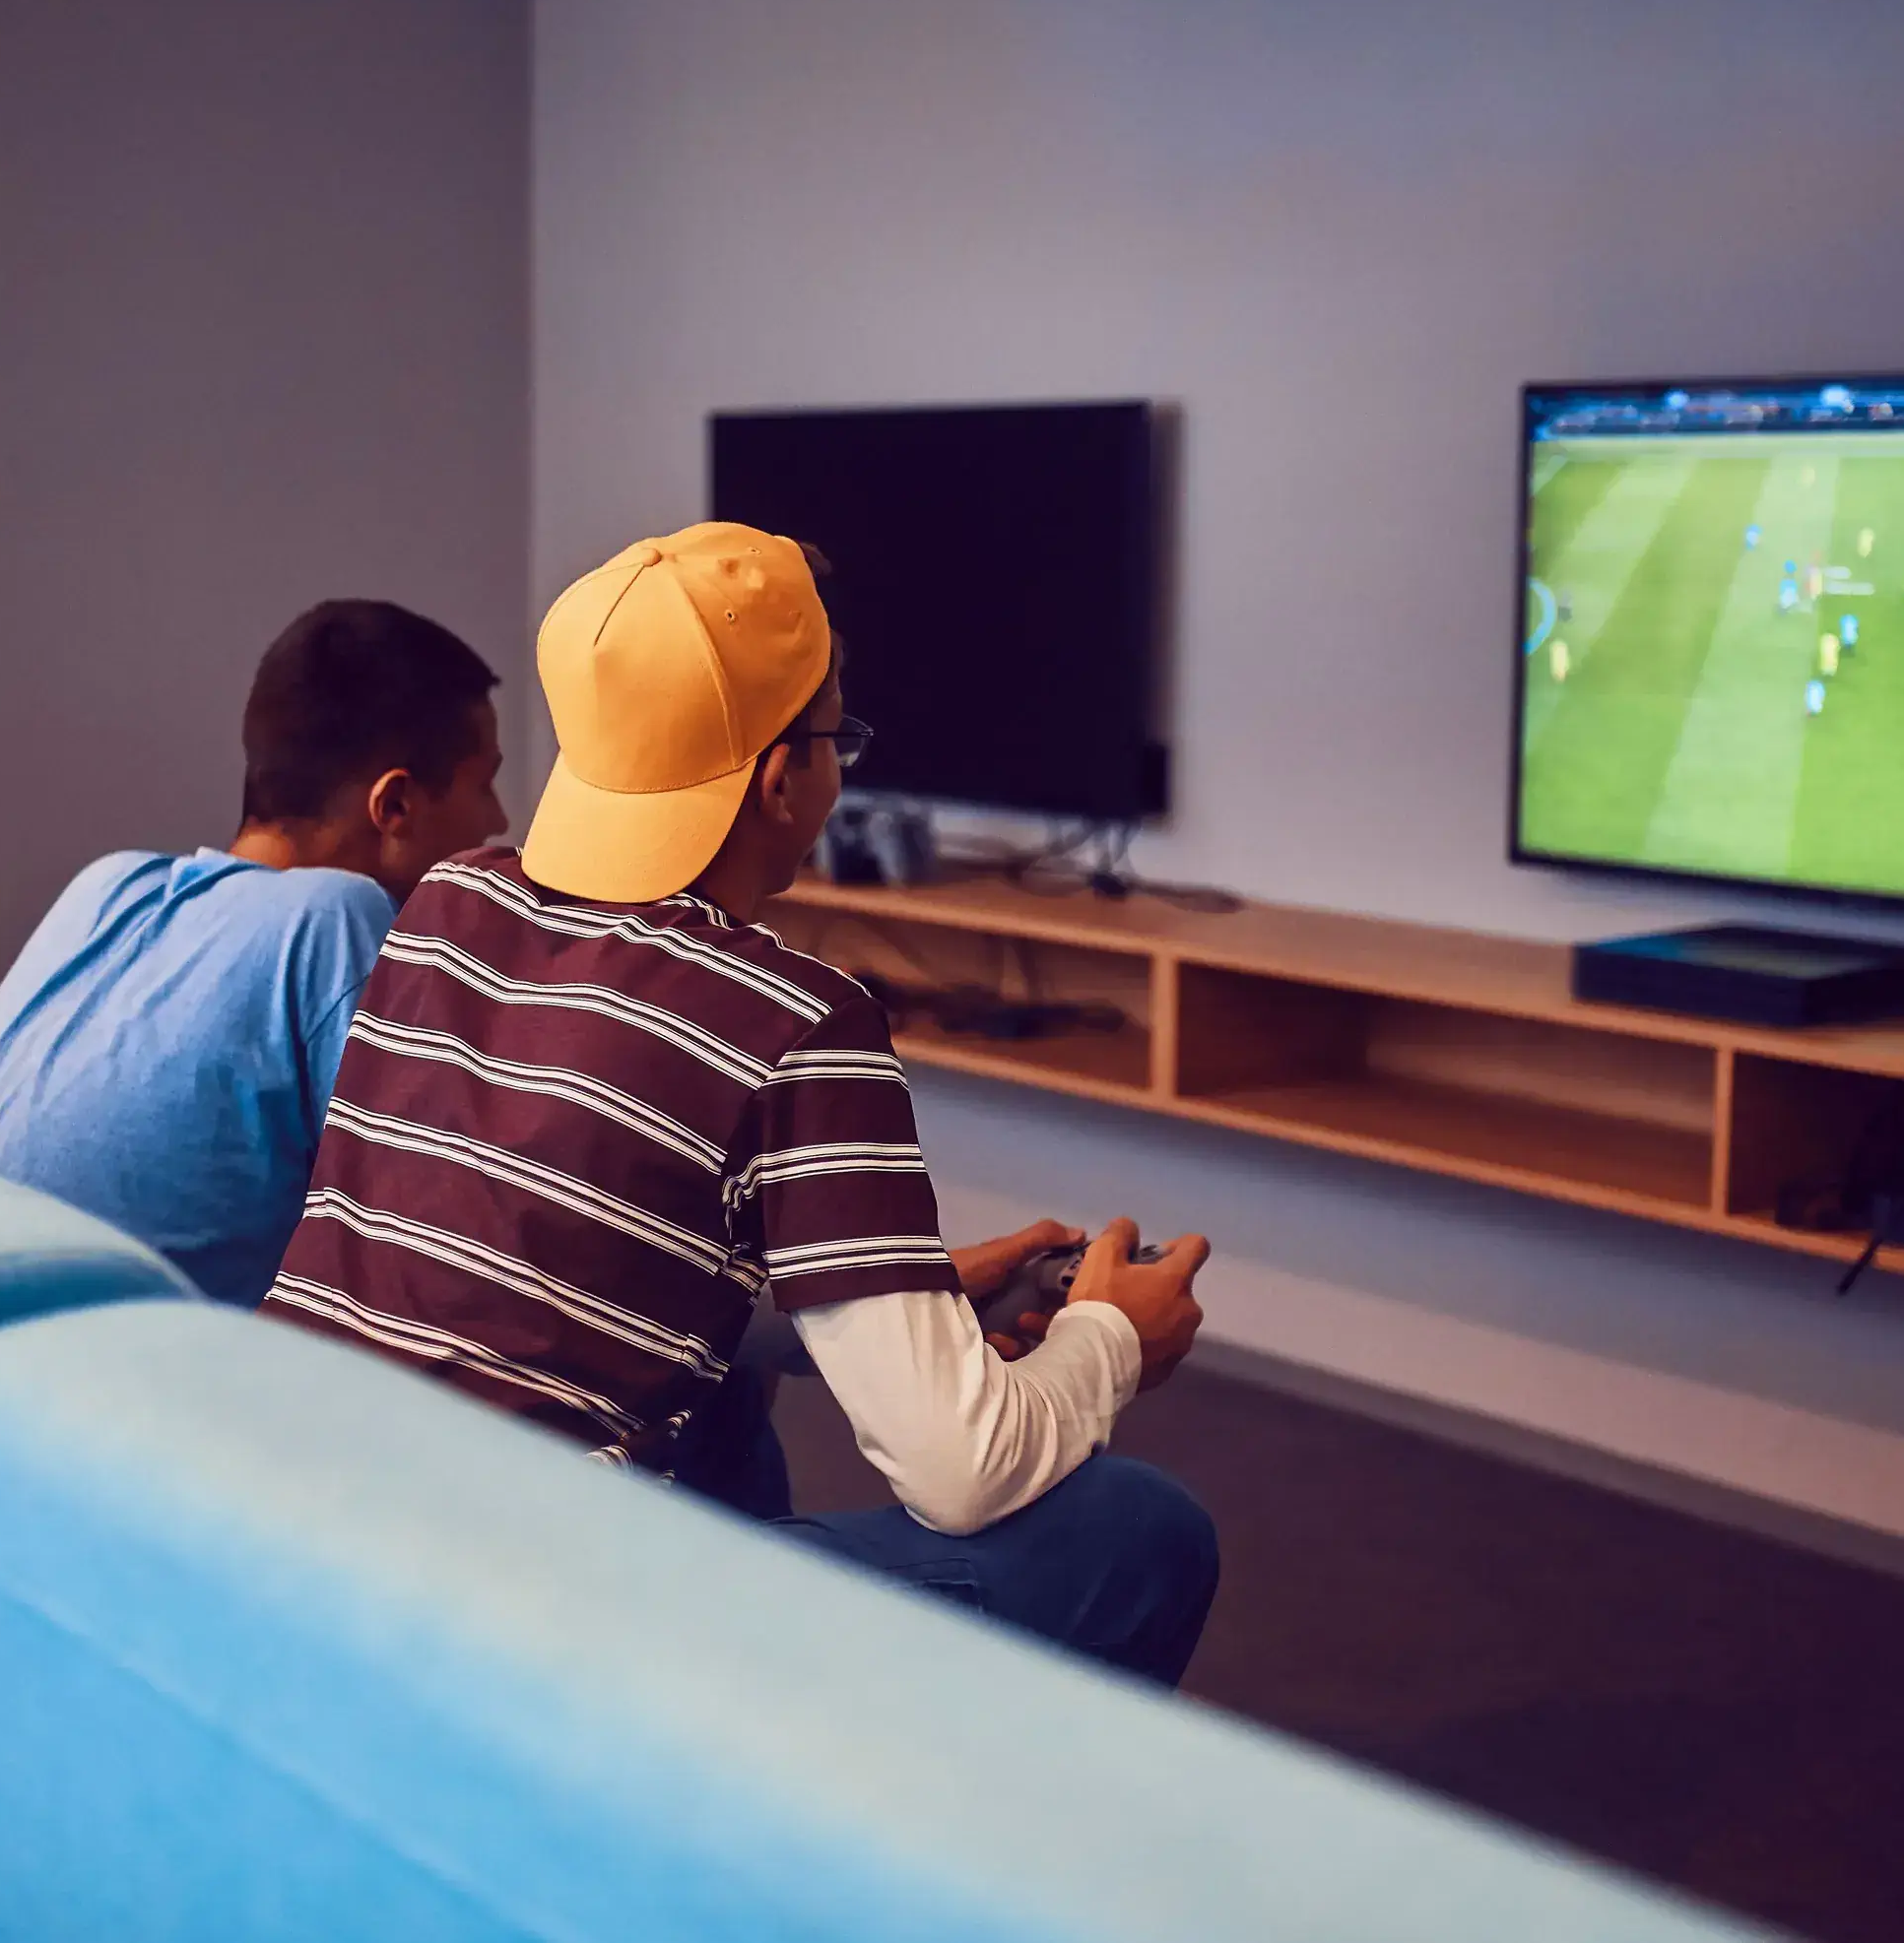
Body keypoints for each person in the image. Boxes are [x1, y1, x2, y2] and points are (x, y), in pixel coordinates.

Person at [262, 523, 1220, 1685]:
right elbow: (961, 1470)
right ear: (783, 777)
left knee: (712, 1379)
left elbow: (569, 1247)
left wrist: (891, 1293)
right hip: (500, 1619)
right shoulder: (799, 1020)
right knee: (1136, 1532)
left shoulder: (448, 903)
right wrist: (1109, 1336)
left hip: (284, 1521)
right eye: (835, 738)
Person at [0, 602, 508, 1303]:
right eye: (486, 784)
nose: (500, 821)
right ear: (396, 807)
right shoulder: (334, 915)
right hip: (103, 1394)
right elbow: (442, 1240)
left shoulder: (107, 887)